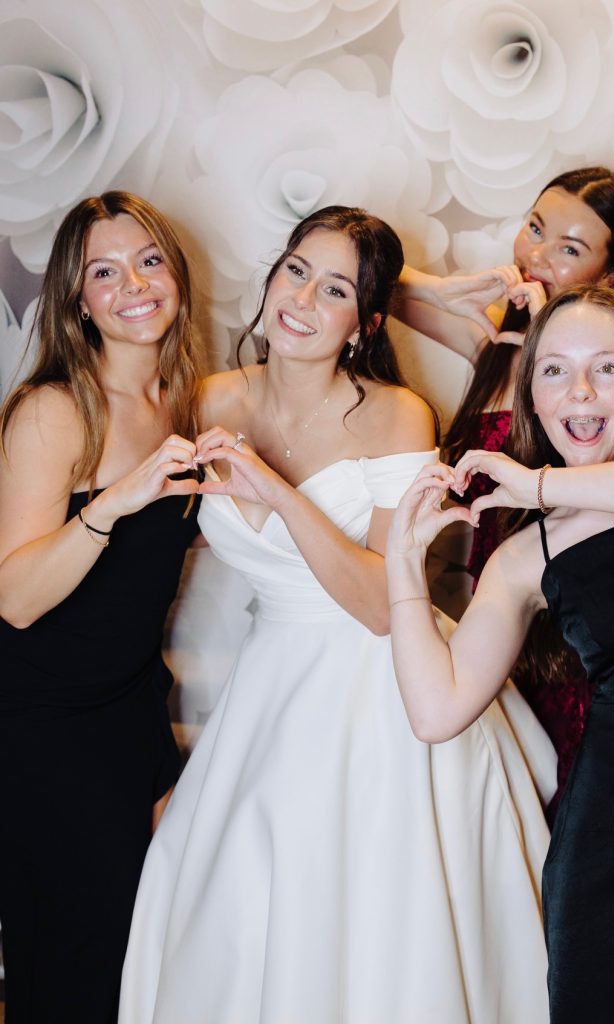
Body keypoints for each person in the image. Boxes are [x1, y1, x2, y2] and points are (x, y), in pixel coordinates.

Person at [119, 206, 555, 1024]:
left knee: (373, 913)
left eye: (335, 290)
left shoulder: (396, 414)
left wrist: (279, 496)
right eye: (296, 271)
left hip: (382, 686)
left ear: (366, 323)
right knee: (232, 903)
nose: (302, 301)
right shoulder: (209, 398)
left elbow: (381, 604)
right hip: (269, 682)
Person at [385, 284, 614, 1022]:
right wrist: (402, 562)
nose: (579, 390)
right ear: (531, 397)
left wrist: (539, 482)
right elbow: (436, 711)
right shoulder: (527, 556)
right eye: (552, 370)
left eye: (608, 368)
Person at [397, 166, 614, 799]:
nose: (536, 257)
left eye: (569, 248)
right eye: (535, 229)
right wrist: (445, 291)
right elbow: (368, 280)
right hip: (530, 634)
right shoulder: (493, 349)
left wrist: (584, 335)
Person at [0, 192, 203, 1023]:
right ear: (78, 299)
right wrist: (116, 501)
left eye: (149, 261)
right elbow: (15, 599)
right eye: (104, 272)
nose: (134, 286)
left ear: (177, 276)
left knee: (144, 948)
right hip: (46, 725)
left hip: (132, 706)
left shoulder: (185, 399)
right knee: (75, 963)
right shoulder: (54, 409)